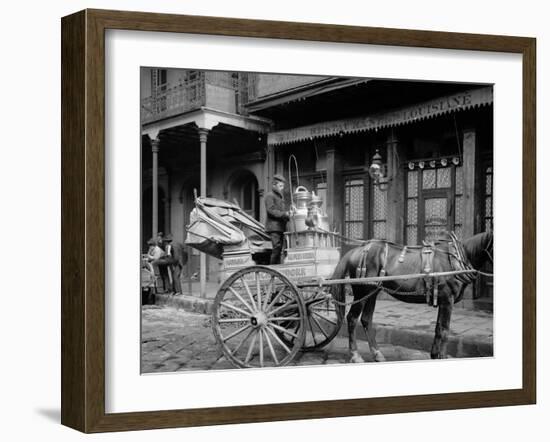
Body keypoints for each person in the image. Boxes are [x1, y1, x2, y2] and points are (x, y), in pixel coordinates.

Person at [265, 174, 290, 264]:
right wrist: (284, 214)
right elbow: (271, 211)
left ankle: (277, 268)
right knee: (277, 249)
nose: (282, 188)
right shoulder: (270, 196)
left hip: (280, 227)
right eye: (280, 186)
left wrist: (288, 213)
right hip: (274, 227)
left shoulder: (279, 197)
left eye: (283, 186)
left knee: (280, 250)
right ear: (274, 185)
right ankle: (273, 269)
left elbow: (280, 211)